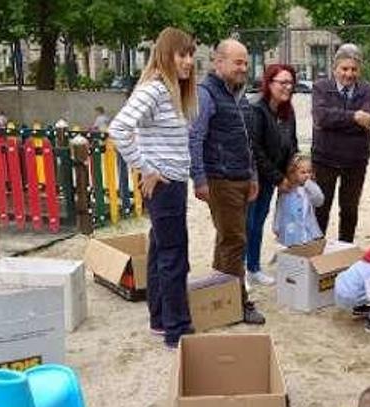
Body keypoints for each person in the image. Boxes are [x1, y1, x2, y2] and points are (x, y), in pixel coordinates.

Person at [108, 27, 198, 349]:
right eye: (182, 54)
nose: (188, 61)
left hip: (170, 182)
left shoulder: (170, 90)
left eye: (191, 55)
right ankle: (178, 330)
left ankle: (161, 320)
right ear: (165, 54)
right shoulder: (155, 89)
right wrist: (146, 168)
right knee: (175, 256)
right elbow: (118, 128)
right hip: (165, 184)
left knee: (161, 250)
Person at [189, 39, 265, 324]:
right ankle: (238, 303)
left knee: (227, 239)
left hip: (241, 177)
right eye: (238, 62)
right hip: (221, 179)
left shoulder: (238, 94)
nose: (244, 68)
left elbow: (247, 140)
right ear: (218, 62)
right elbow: (195, 137)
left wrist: (253, 175)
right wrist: (199, 179)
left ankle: (220, 298)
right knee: (235, 240)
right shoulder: (206, 94)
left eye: (246, 62)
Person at [311, 43, 370, 243]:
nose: (349, 74)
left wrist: (338, 119)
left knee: (349, 210)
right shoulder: (321, 87)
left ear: (360, 70)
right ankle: (316, 250)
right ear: (335, 69)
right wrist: (354, 116)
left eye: (354, 69)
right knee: (321, 207)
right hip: (324, 159)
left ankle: (344, 249)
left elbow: (366, 122)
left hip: (355, 160)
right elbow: (321, 118)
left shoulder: (368, 91)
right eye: (344, 69)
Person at [246, 63, 299, 286]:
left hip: (273, 177)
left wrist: (294, 169)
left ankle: (254, 268)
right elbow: (255, 149)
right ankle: (241, 270)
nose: (287, 87)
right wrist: (279, 178)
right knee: (247, 224)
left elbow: (292, 143)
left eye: (290, 83)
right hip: (254, 178)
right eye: (282, 82)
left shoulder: (288, 111)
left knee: (258, 222)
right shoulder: (257, 109)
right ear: (269, 84)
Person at [273, 155, 323, 247]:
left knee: (306, 250)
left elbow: (319, 201)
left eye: (309, 172)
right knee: (292, 250)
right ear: (293, 173)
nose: (307, 175)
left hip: (307, 228)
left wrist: (310, 185)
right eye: (303, 172)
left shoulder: (310, 189)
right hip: (290, 228)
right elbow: (280, 208)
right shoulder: (287, 190)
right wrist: (276, 225)